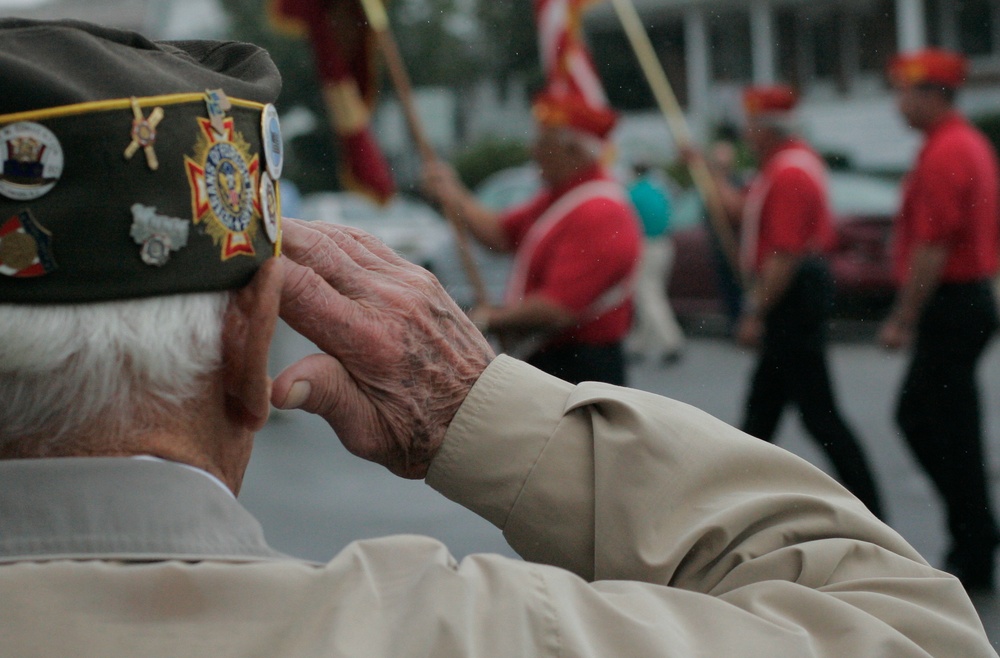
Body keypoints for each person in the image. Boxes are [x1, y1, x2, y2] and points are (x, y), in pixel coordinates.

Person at [0, 19, 996, 657]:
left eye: (547, 137)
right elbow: (911, 631)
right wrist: (478, 404)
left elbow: (559, 293)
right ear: (246, 344)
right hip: (560, 381)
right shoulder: (472, 634)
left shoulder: (599, 208)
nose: (535, 147)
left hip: (596, 347)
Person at [695, 85, 886, 520]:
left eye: (751, 125)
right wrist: (713, 173)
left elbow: (784, 255)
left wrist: (754, 313)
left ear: (767, 129)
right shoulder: (781, 167)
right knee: (770, 410)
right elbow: (741, 213)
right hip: (793, 294)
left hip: (794, 297)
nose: (746, 133)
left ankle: (869, 505)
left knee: (815, 414)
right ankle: (730, 497)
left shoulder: (790, 172)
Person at [880, 48, 1000, 592]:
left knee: (932, 423)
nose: (899, 102)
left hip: (952, 303)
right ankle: (973, 533)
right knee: (949, 427)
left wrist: (904, 316)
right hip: (963, 301)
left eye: (906, 91)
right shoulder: (958, 143)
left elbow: (932, 244)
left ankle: (976, 537)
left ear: (934, 94)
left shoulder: (946, 151)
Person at [423, 91, 641, 386]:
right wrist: (453, 194)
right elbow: (500, 235)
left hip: (581, 368)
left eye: (543, 142)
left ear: (573, 151)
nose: (534, 151)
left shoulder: (600, 212)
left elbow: (557, 309)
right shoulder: (559, 197)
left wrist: (488, 319)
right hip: (555, 359)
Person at [625, 160, 685, 364]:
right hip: (665, 245)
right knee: (652, 293)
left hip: (646, 246)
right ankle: (638, 345)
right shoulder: (659, 190)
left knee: (647, 296)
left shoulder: (634, 193)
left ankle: (672, 342)